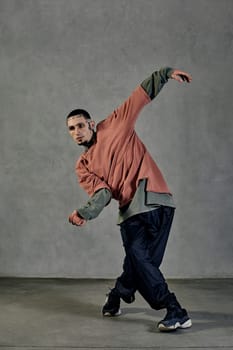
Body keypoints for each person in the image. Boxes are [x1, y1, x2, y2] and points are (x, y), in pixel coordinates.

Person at [67, 67, 192, 332]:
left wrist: (166, 73)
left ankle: (137, 300)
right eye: (71, 129)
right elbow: (102, 194)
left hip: (157, 201)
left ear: (90, 123)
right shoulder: (83, 165)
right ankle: (167, 308)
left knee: (141, 262)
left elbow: (140, 96)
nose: (77, 132)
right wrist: (84, 213)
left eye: (80, 125)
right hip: (129, 212)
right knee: (140, 261)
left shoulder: (114, 124)